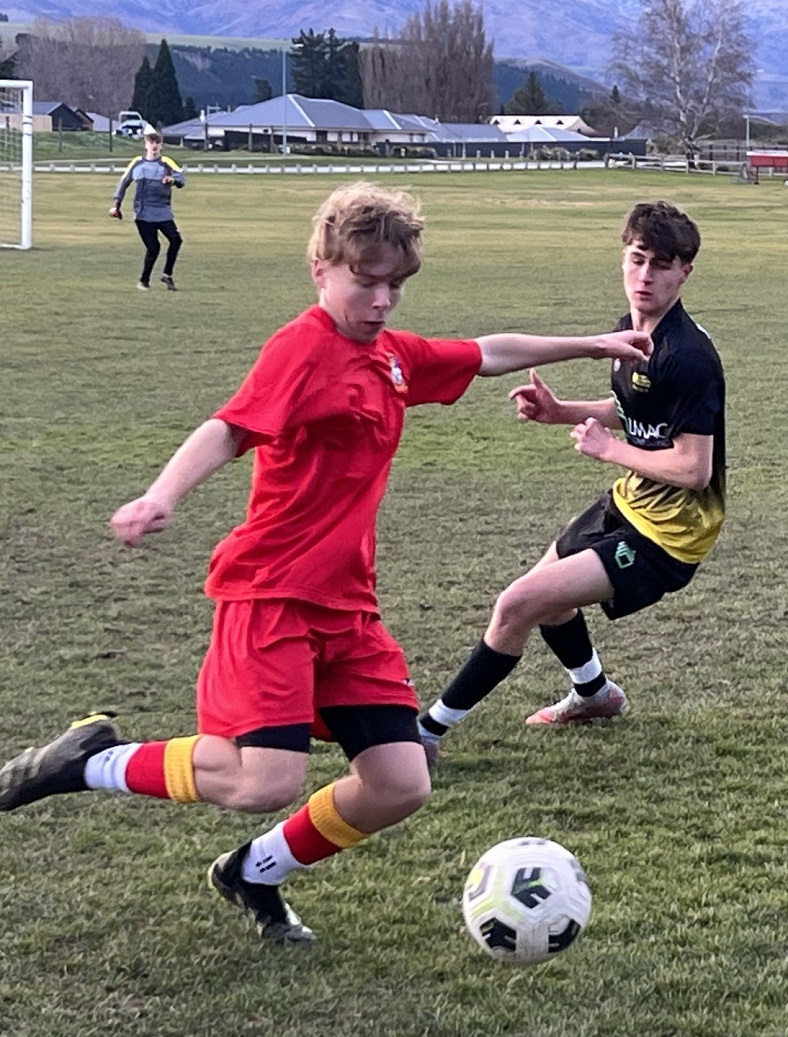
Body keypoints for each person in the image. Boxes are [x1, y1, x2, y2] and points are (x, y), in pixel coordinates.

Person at [0, 182, 651, 945]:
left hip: (348, 609)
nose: (381, 300)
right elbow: (227, 429)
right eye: (364, 281)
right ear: (321, 268)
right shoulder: (302, 347)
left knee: (400, 782)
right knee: (260, 779)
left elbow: (484, 353)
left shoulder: (391, 358)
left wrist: (593, 344)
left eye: (395, 286)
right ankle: (90, 760)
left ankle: (252, 872)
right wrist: (159, 494)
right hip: (271, 594)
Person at [418, 200, 725, 752]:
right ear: (622, 258)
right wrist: (561, 412)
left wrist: (609, 451)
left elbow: (693, 468)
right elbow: (631, 408)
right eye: (637, 259)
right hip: (629, 504)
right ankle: (595, 694)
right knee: (549, 599)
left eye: (661, 264)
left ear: (686, 271)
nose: (645, 276)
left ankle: (426, 733)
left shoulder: (689, 356)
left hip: (669, 535)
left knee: (516, 605)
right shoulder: (626, 332)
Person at [111, 129, 186, 291]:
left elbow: (181, 178)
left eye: (157, 143)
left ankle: (167, 274)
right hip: (143, 213)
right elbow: (123, 183)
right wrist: (116, 204)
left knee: (176, 240)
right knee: (154, 247)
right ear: (146, 144)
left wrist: (172, 179)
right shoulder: (137, 163)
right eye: (151, 142)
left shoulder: (166, 162)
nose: (154, 146)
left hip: (163, 211)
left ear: (161, 146)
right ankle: (144, 281)